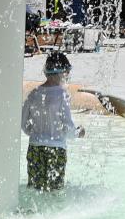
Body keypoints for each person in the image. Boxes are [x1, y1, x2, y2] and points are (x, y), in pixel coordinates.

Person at [22, 50, 82, 192]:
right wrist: (78, 132)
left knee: (35, 189)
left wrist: (36, 133)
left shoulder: (34, 93)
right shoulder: (62, 95)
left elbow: (23, 124)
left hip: (35, 146)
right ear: (64, 73)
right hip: (56, 148)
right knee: (55, 190)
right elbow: (68, 127)